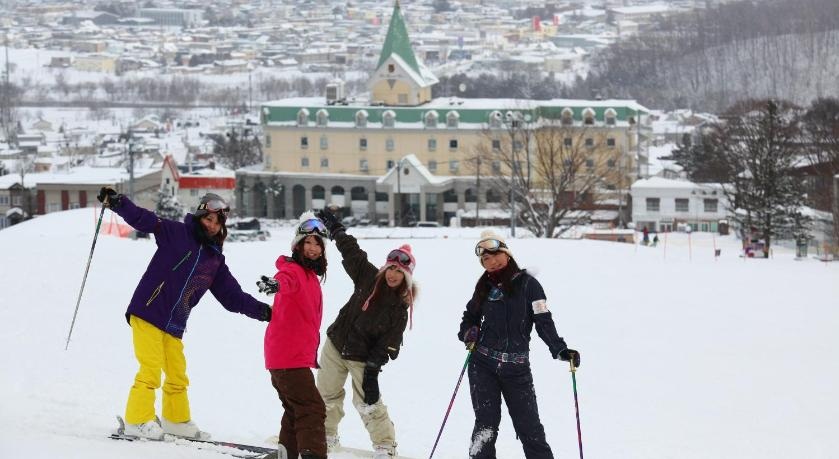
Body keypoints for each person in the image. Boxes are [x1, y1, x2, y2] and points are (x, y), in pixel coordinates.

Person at [96, 188, 272, 441]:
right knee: (151, 368)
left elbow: (232, 297)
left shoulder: (215, 261)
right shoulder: (176, 233)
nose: (212, 225)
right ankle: (137, 419)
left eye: (217, 222)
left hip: (175, 323)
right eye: (208, 219)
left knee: (177, 373)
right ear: (199, 216)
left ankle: (175, 420)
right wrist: (118, 202)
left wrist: (263, 311)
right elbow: (143, 219)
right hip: (148, 310)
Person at [458, 230, 580, 459]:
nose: (490, 262)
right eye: (485, 259)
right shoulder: (483, 286)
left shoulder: (529, 285)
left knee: (530, 428)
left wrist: (559, 349)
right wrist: (469, 332)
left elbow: (543, 320)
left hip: (517, 369)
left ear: (506, 254)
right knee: (486, 426)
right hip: (482, 364)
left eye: (494, 255)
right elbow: (469, 316)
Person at [313, 207, 417, 459]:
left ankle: (384, 445)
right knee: (327, 394)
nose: (393, 274)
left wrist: (372, 369)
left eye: (399, 272)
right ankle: (327, 436)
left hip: (362, 357)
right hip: (336, 344)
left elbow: (389, 343)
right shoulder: (367, 276)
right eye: (391, 269)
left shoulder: (400, 308)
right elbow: (352, 252)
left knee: (367, 402)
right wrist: (337, 230)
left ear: (406, 276)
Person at [259, 211, 330, 459]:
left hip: (285, 357)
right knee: (312, 408)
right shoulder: (294, 271)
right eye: (307, 242)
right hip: (289, 358)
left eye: (317, 244)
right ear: (297, 245)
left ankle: (284, 453)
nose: (312, 248)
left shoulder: (310, 276)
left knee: (295, 408)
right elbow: (285, 280)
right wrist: (276, 285)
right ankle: (313, 454)